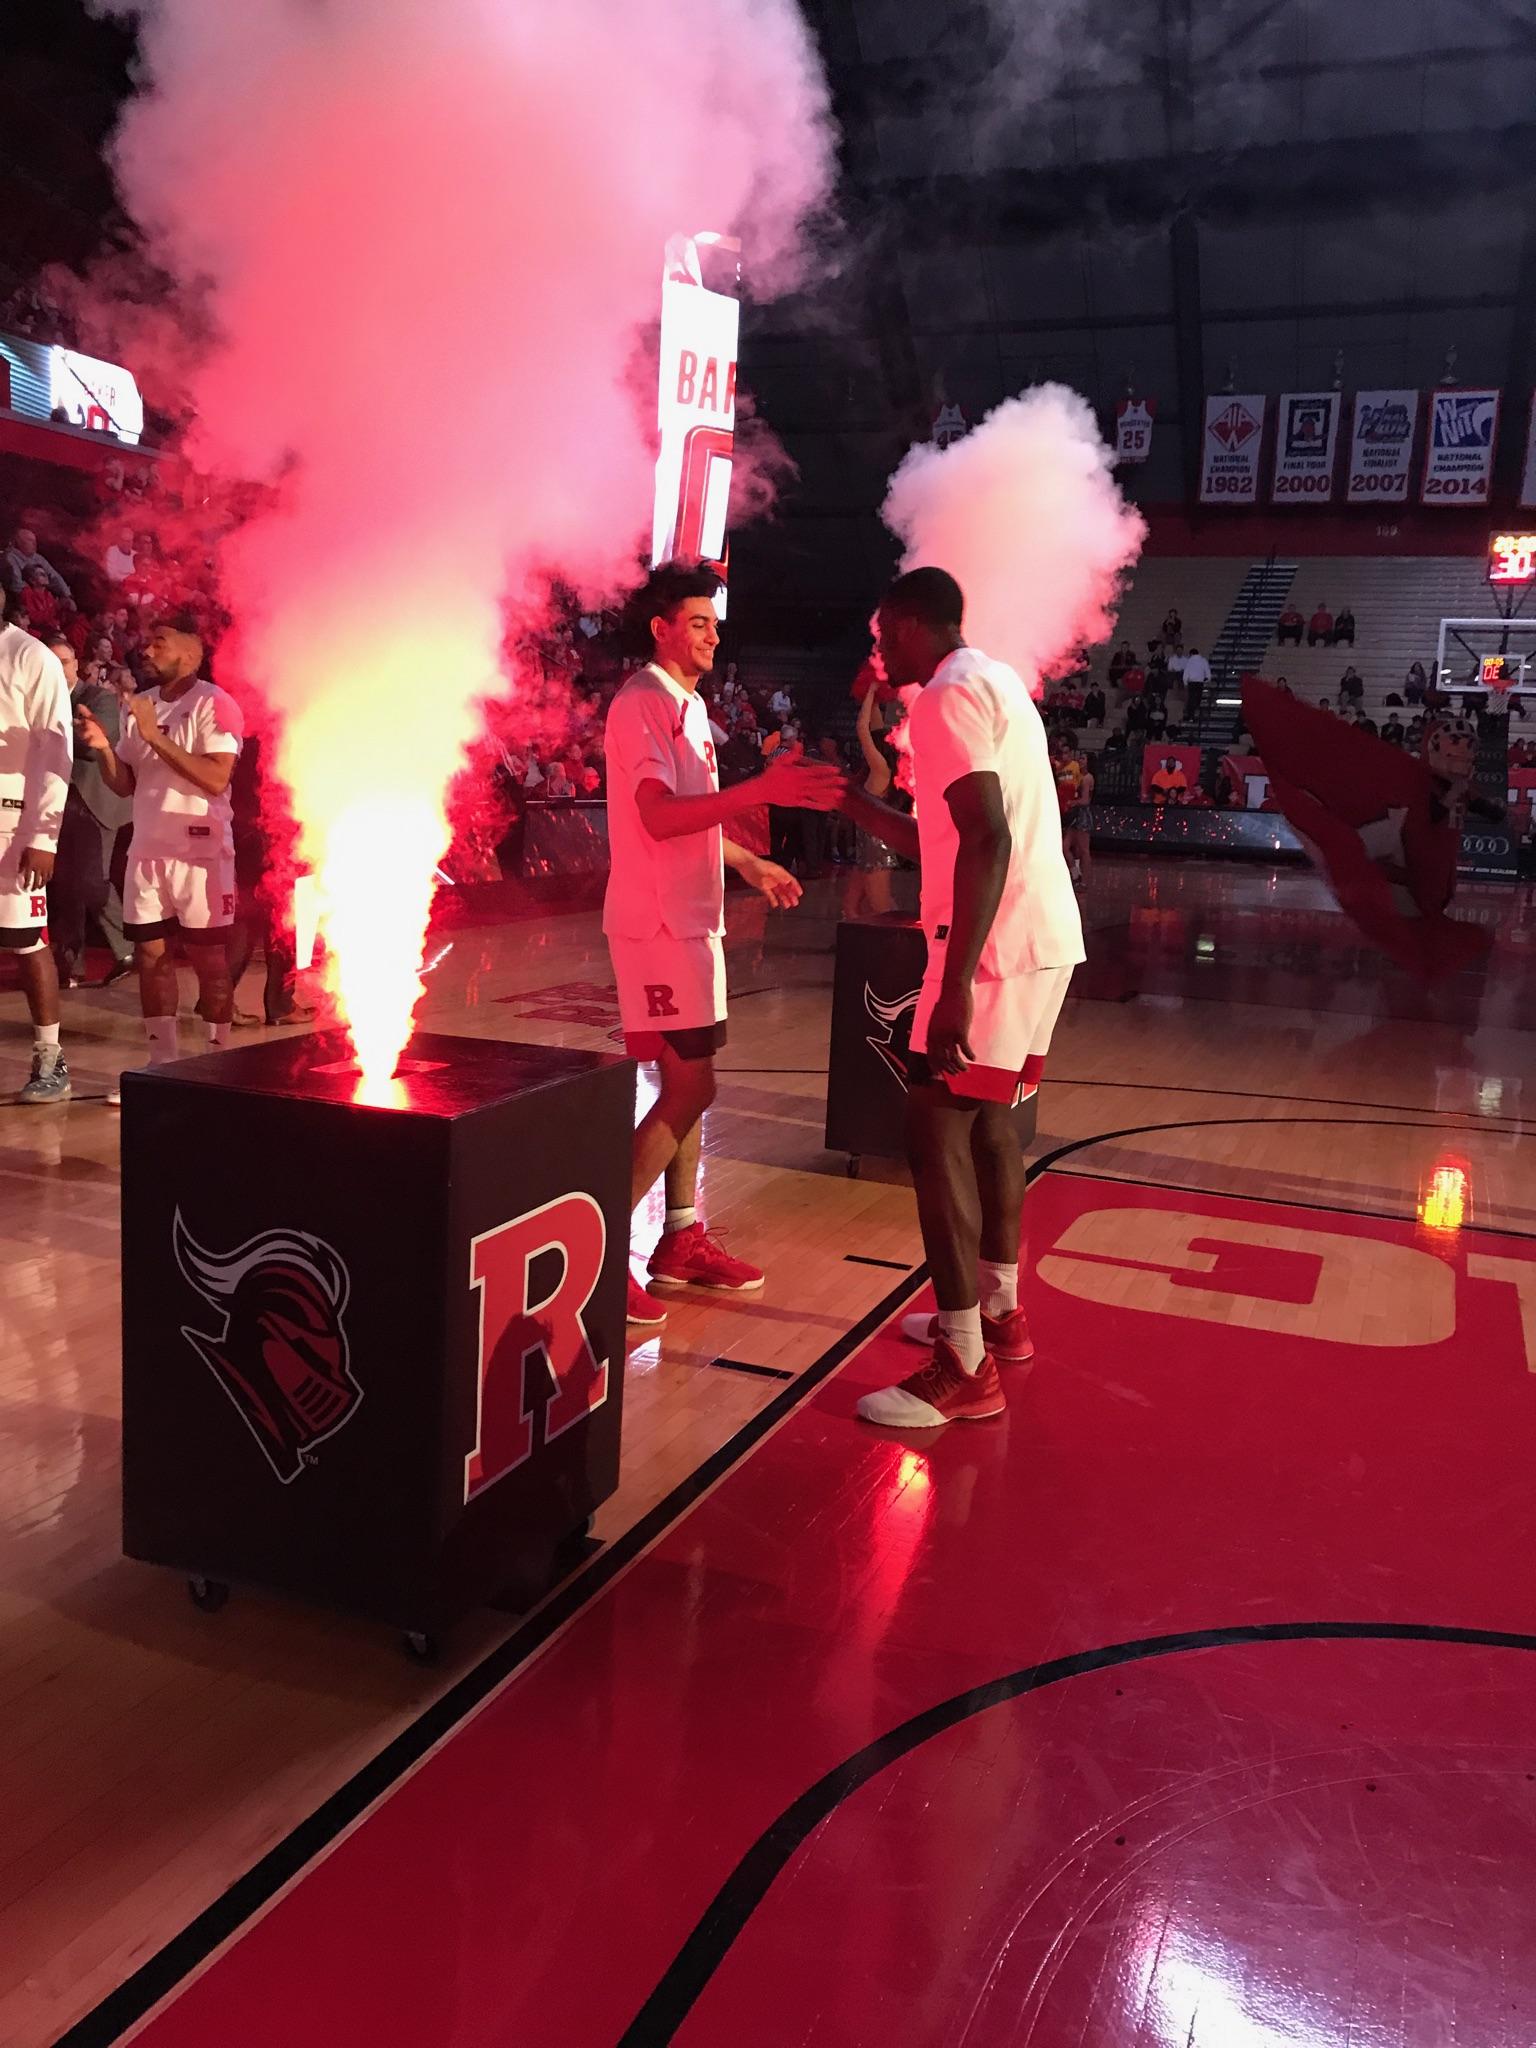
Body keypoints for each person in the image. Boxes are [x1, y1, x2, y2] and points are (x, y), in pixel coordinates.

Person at [839, 567, 1085, 1429]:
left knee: (932, 1127)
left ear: (911, 624)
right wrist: (848, 802)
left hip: (996, 951)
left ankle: (964, 1361)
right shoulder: (994, 679)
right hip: (1042, 940)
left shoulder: (944, 698)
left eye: (883, 633)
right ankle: (1000, 1315)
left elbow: (987, 839)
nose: (879, 650)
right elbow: (943, 840)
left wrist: (954, 987)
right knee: (989, 1127)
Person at [602, 561, 844, 1327]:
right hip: (658, 925)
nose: (714, 635)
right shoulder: (644, 701)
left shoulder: (690, 704)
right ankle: (598, 1253)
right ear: (662, 629)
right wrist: (760, 792)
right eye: (700, 623)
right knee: (691, 1086)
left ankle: (679, 1237)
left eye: (715, 623)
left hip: (692, 919)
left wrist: (746, 861)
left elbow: (692, 817)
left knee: (691, 1081)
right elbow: (656, 816)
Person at [73, 615, 244, 1105]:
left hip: (201, 855)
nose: (146, 651)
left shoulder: (215, 703)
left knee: (209, 962)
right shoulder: (142, 705)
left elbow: (216, 778)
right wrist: (105, 749)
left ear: (190, 653)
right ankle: (162, 1065)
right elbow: (125, 784)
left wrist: (155, 737)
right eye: (147, 643)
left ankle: (216, 1064)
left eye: (159, 643)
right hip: (147, 851)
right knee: (151, 958)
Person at [0, 596, 73, 1102]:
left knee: (26, 940)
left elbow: (55, 749)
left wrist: (44, 836)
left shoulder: (30, 655)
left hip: (11, 821)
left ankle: (51, 1058)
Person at [45, 635, 134, 988]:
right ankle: (69, 965)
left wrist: (47, 726)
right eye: (50, 662)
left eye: (63, 662)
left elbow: (95, 743)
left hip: (97, 802)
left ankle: (127, 948)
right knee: (64, 885)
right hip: (56, 802)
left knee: (91, 881)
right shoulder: (39, 698)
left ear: (76, 665)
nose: (57, 668)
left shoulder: (98, 698)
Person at [2, 527, 71, 602]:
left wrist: (67, 595)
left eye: (35, 541)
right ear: (19, 542)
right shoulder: (10, 558)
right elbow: (16, 586)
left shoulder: (38, 558)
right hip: (21, 601)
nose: (34, 543)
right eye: (30, 540)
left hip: (42, 599)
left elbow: (54, 576)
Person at [1062, 752, 1094, 887]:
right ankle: (1076, 874)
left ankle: (1085, 881)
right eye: (1079, 758)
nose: (1080, 760)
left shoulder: (1087, 778)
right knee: (1065, 847)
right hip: (1075, 815)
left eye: (1083, 758)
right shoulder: (1079, 776)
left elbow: (1085, 800)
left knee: (1084, 850)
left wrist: (1072, 802)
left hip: (1082, 816)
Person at [1181, 646, 1211, 723]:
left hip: (1191, 683)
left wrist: (1185, 682)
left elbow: (1186, 673)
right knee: (1198, 699)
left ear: (1191, 654)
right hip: (1200, 683)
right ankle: (1196, 714)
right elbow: (1207, 671)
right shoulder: (1203, 660)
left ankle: (1191, 716)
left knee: (1191, 699)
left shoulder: (1189, 661)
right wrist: (1207, 679)